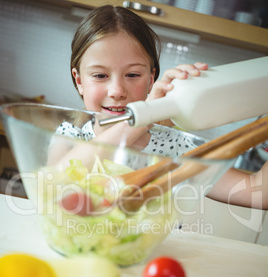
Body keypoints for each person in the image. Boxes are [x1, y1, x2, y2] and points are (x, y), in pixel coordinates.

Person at [50, 5, 267, 210]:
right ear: (79, 81)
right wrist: (143, 119)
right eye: (100, 75)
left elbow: (257, 193)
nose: (117, 91)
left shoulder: (176, 148)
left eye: (133, 75)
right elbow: (55, 186)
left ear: (151, 79)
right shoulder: (69, 136)